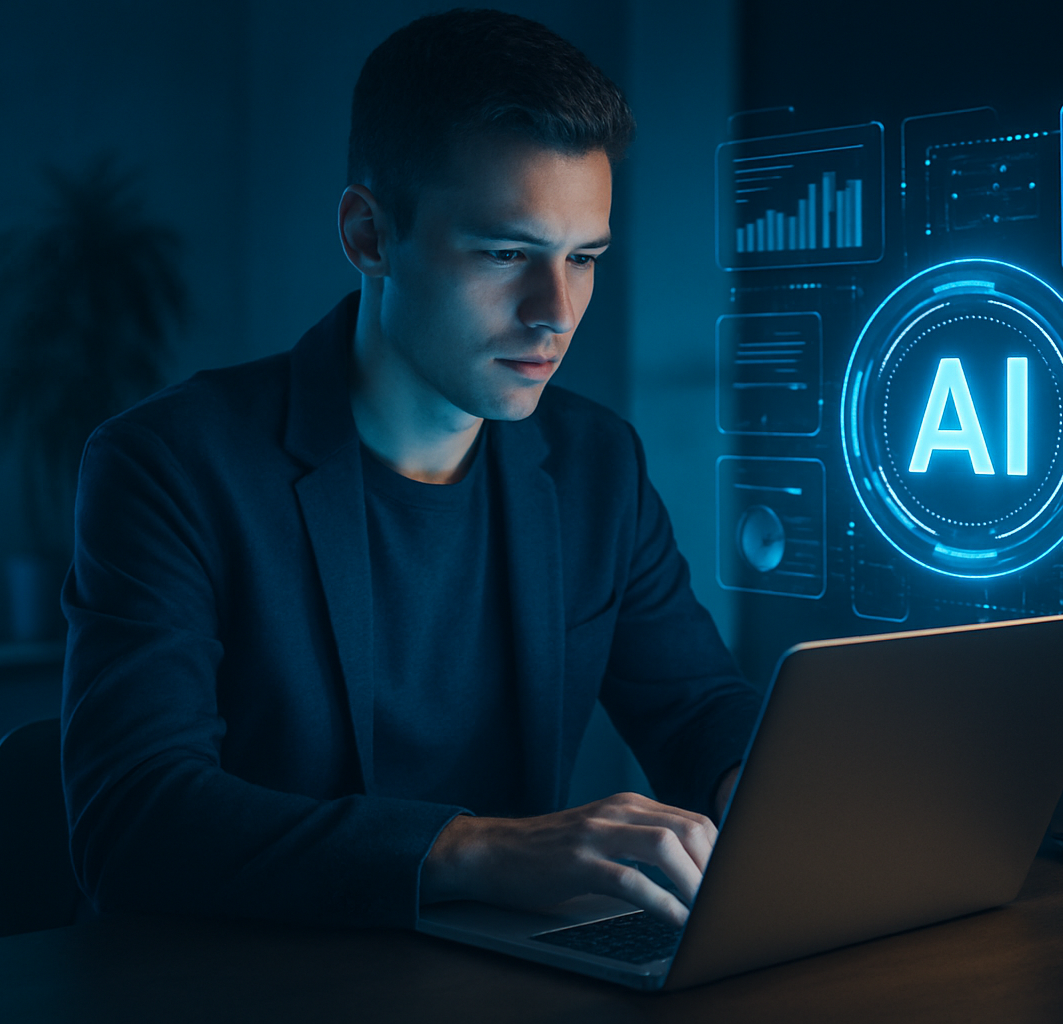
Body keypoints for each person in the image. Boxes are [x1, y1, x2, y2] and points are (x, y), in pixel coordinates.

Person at [60, 9, 761, 933]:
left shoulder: (597, 465)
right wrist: (474, 849)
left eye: (583, 258)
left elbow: (694, 706)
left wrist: (758, 786)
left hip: (513, 987)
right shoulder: (169, 465)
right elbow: (135, 826)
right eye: (507, 253)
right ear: (368, 236)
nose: (556, 311)